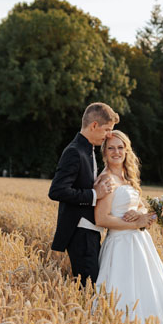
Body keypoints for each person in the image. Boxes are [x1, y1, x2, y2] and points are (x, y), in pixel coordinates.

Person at [94, 131, 163, 324]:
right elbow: (102, 218)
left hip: (140, 245)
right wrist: (135, 223)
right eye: (111, 148)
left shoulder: (127, 177)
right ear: (104, 153)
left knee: (148, 293)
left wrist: (145, 215)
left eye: (120, 147)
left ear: (126, 150)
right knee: (123, 296)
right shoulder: (106, 179)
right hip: (119, 246)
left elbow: (140, 208)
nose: (116, 152)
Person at [49, 102, 124, 286]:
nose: (109, 135)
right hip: (80, 232)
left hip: (89, 232)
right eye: (107, 129)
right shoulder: (75, 152)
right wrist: (93, 194)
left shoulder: (87, 149)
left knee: (93, 287)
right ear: (94, 126)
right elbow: (57, 191)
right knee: (89, 290)